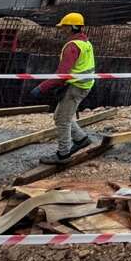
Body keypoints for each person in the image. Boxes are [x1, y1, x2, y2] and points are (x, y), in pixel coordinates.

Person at [30, 12, 97, 164]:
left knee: (62, 120)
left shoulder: (72, 46)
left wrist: (41, 88)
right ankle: (81, 139)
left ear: (72, 27)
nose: (62, 29)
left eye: (64, 26)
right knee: (60, 116)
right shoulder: (85, 42)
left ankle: (63, 154)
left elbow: (62, 74)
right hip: (82, 84)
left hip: (76, 87)